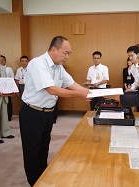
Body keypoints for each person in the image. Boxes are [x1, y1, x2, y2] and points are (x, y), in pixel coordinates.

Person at [19, 36, 90, 186]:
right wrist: (79, 95)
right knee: (33, 151)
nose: (67, 57)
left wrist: (89, 92)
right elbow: (51, 89)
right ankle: (34, 183)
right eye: (65, 53)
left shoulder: (58, 67)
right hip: (32, 113)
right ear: (53, 49)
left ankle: (42, 177)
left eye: (69, 53)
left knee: (44, 148)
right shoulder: (38, 63)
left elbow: (72, 83)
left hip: (47, 114)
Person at [0, 55, 14, 121]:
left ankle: (9, 116)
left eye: (2, 60)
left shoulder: (9, 69)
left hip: (7, 88)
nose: (0, 61)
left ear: (5, 61)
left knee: (8, 102)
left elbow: (12, 78)